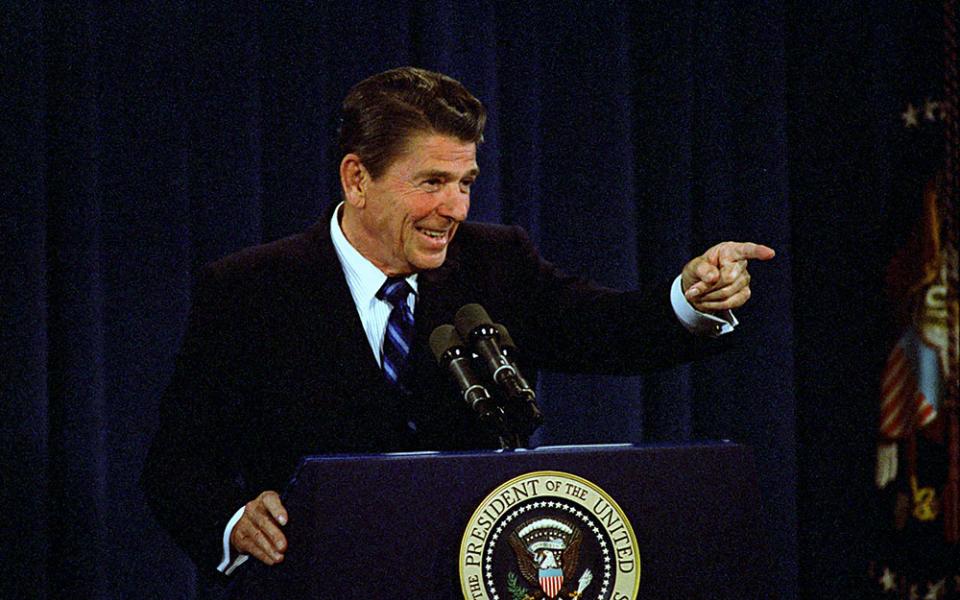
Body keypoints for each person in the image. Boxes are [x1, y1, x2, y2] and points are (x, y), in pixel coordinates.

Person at [141, 66, 775, 580]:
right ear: (357, 178)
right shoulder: (251, 288)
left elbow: (607, 329)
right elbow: (177, 464)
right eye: (432, 182)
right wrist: (234, 519)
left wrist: (693, 298)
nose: (454, 208)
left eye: (466, 182)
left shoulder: (497, 262)